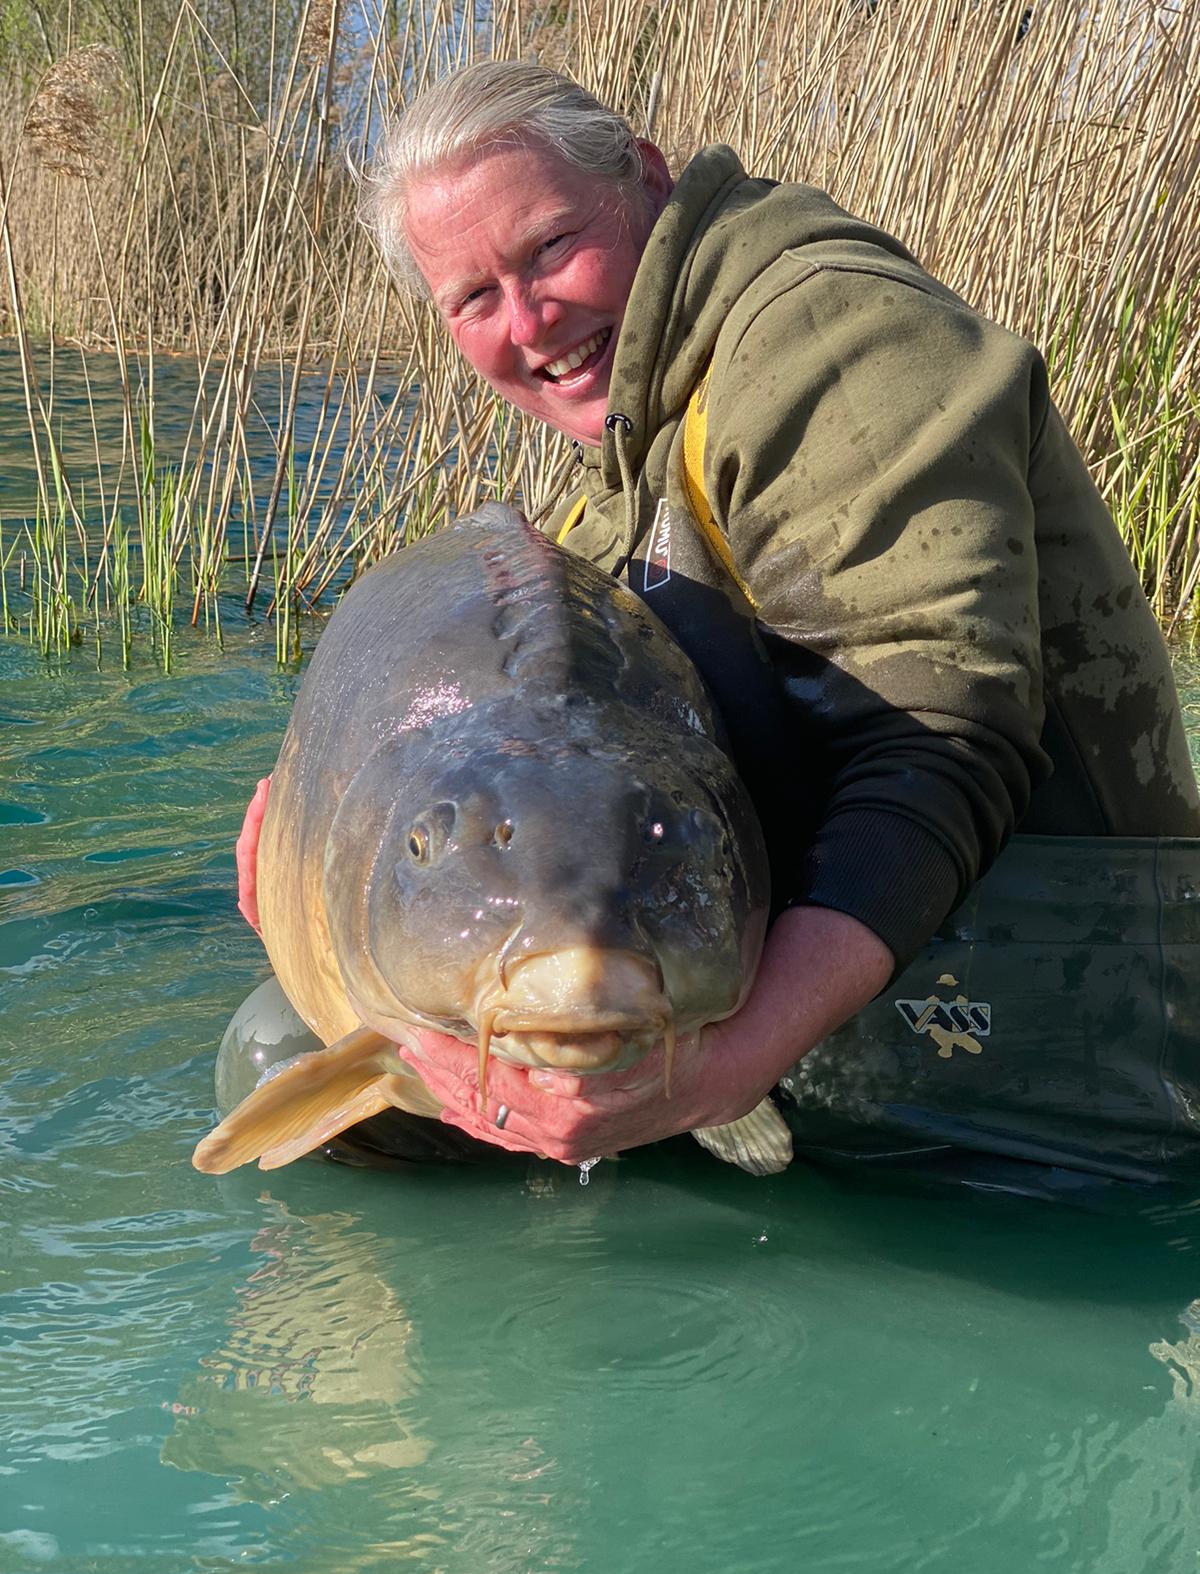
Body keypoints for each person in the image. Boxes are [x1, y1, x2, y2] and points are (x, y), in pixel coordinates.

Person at [234, 60, 1200, 1184]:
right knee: (286, 1049)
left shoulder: (832, 338)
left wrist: (725, 1067)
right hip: (876, 990)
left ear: (647, 177)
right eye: (476, 298)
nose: (531, 317)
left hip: (1067, 1027)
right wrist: (313, 891)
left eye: (549, 247)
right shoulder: (635, 457)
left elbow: (946, 738)